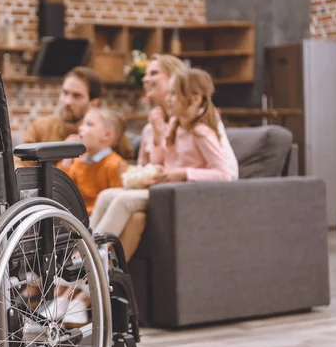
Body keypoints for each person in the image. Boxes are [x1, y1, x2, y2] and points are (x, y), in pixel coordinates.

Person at [90, 68, 237, 259]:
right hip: (165, 189)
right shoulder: (175, 126)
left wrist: (183, 173)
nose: (169, 98)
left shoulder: (201, 132)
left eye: (174, 94)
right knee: (106, 195)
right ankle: (79, 252)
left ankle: (88, 258)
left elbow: (225, 174)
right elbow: (162, 162)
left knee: (123, 201)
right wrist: (159, 158)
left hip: (183, 194)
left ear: (194, 99)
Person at [14, 66, 134, 168]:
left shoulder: (109, 130)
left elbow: (127, 167)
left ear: (94, 104)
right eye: (65, 93)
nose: (67, 101)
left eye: (77, 96)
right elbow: (18, 167)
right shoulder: (40, 128)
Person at [57, 107, 129, 215]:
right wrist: (67, 157)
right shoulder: (79, 161)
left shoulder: (115, 164)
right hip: (77, 218)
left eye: (89, 124)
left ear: (107, 135)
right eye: (83, 124)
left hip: (100, 218)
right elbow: (60, 189)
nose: (81, 128)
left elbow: (116, 204)